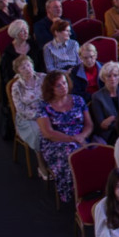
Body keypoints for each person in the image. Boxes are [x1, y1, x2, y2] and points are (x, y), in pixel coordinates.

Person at [37, 70, 94, 202]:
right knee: (71, 152)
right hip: (56, 143)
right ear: (50, 88)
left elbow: (89, 124)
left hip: (80, 139)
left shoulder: (78, 100)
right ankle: (75, 192)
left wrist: (81, 136)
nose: (64, 87)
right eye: (58, 85)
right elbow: (48, 133)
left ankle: (90, 187)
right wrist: (73, 139)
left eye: (64, 83)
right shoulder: (43, 106)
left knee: (92, 153)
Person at [9, 56, 50, 179]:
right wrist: (38, 116)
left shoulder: (43, 77)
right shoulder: (17, 86)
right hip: (27, 118)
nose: (27, 69)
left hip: (47, 112)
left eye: (28, 65)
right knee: (39, 132)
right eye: (22, 67)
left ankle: (55, 159)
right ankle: (41, 163)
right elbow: (20, 109)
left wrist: (47, 113)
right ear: (18, 72)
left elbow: (52, 95)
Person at [90, 62, 119, 143]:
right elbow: (102, 125)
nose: (112, 79)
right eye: (108, 76)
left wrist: (112, 118)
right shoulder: (97, 97)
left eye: (115, 75)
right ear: (103, 78)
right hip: (110, 134)